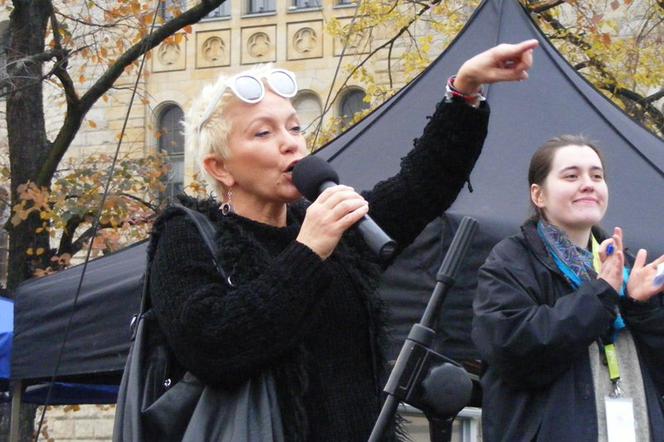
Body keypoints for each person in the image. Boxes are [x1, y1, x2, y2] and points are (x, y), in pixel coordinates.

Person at [148, 39, 538, 441]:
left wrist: (465, 90)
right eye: (263, 132)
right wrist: (308, 251)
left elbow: (422, 185)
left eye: (295, 127)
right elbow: (213, 345)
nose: (290, 142)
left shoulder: (335, 228)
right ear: (220, 168)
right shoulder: (188, 234)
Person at [472, 135, 664, 442]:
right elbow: (513, 350)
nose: (588, 184)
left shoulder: (627, 268)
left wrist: (641, 307)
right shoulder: (511, 260)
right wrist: (601, 294)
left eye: (597, 176)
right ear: (539, 195)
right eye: (571, 176)